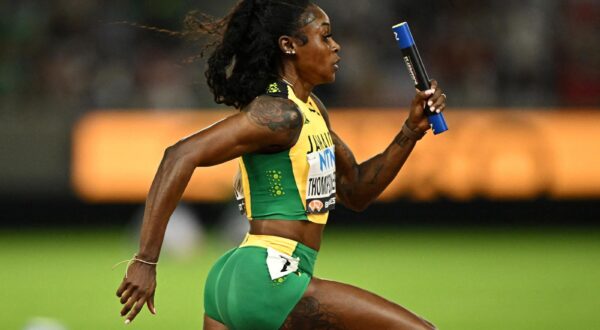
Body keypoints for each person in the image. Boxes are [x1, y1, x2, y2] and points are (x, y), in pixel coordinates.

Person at [116, 0, 446, 329]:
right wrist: (146, 259)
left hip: (238, 277)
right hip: (268, 275)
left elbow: (357, 189)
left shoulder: (310, 109)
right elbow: (180, 154)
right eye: (324, 36)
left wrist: (411, 130)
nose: (336, 46)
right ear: (288, 46)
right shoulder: (278, 113)